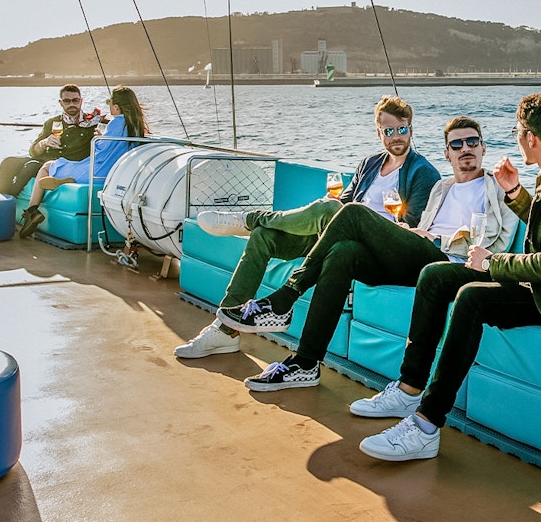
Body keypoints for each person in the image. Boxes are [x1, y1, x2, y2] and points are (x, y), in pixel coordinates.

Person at [356, 92, 541, 462]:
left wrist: (492, 263)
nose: (516, 136)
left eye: (518, 130)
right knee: (436, 276)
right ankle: (409, 388)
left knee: (471, 298)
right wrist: (515, 192)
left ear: (530, 137)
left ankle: (426, 426)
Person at [223, 116, 519, 390]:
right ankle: (305, 363)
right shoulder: (441, 187)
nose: (465, 148)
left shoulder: (498, 191)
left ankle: (284, 299)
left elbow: (497, 247)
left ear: (483, 147)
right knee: (342, 252)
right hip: (416, 256)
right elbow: (422, 225)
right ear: (447, 153)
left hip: (446, 265)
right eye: (457, 144)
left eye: (472, 142)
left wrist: (438, 239)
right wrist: (406, 230)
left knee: (352, 213)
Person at [174, 95, 439, 359]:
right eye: (389, 131)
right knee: (264, 236)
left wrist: (341, 210)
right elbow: (344, 201)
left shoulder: (422, 172)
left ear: (411, 130)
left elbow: (411, 225)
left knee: (335, 211)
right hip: (335, 232)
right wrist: (332, 205)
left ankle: (250, 217)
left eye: (402, 130)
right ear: (378, 133)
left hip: (373, 246)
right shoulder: (370, 163)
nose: (396, 137)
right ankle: (225, 331)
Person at [19, 86, 148, 239]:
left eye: (109, 101)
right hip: (113, 173)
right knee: (60, 164)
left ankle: (31, 212)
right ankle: (64, 180)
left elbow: (100, 149)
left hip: (96, 172)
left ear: (116, 106)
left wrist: (98, 138)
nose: (108, 105)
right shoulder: (135, 125)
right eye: (67, 101)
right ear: (61, 103)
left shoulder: (115, 123)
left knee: (46, 167)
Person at [0, 84, 99, 196]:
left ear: (81, 101)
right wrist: (44, 143)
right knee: (9, 162)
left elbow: (116, 125)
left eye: (75, 100)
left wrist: (102, 135)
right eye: (67, 101)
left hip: (65, 165)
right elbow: (33, 152)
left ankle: (10, 198)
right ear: (61, 103)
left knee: (31, 166)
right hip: (44, 160)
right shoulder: (52, 123)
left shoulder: (93, 123)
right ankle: (0, 195)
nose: (72, 104)